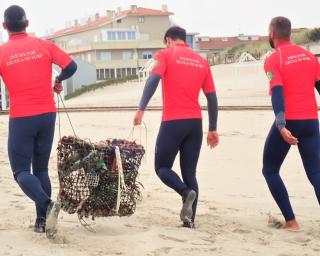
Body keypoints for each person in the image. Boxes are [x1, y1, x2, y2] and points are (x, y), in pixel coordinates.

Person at [0, 5, 77, 236]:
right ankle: (42, 222)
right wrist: (58, 79)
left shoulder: (2, 52)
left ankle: (47, 205)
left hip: (22, 117)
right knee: (41, 168)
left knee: (21, 171)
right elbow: (71, 66)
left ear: (5, 27)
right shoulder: (44, 45)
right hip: (46, 115)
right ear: (27, 24)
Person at [133, 26, 219, 228]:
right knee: (190, 173)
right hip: (195, 124)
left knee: (162, 166)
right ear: (185, 40)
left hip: (173, 121)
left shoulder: (165, 54)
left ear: (168, 40)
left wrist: (141, 109)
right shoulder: (201, 61)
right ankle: (189, 221)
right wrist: (213, 128)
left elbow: (153, 79)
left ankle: (184, 192)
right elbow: (212, 97)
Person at [263, 16, 320, 231]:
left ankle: (291, 221)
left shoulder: (273, 59)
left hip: (290, 121)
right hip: (311, 123)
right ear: (290, 33)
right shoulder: (309, 57)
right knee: (316, 173)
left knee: (269, 169)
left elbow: (277, 92)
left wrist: (281, 125)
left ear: (272, 34)